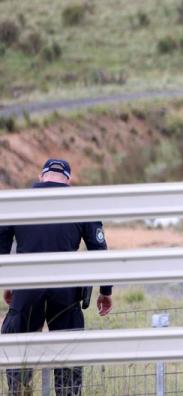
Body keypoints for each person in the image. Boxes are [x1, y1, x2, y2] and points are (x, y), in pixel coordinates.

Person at [0, 159, 113, 396]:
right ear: (68, 180)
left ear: (42, 176)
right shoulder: (81, 203)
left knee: (18, 352)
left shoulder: (17, 201)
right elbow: (99, 250)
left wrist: (9, 282)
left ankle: (19, 392)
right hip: (65, 290)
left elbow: (2, 245)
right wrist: (106, 291)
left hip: (27, 286)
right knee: (68, 354)